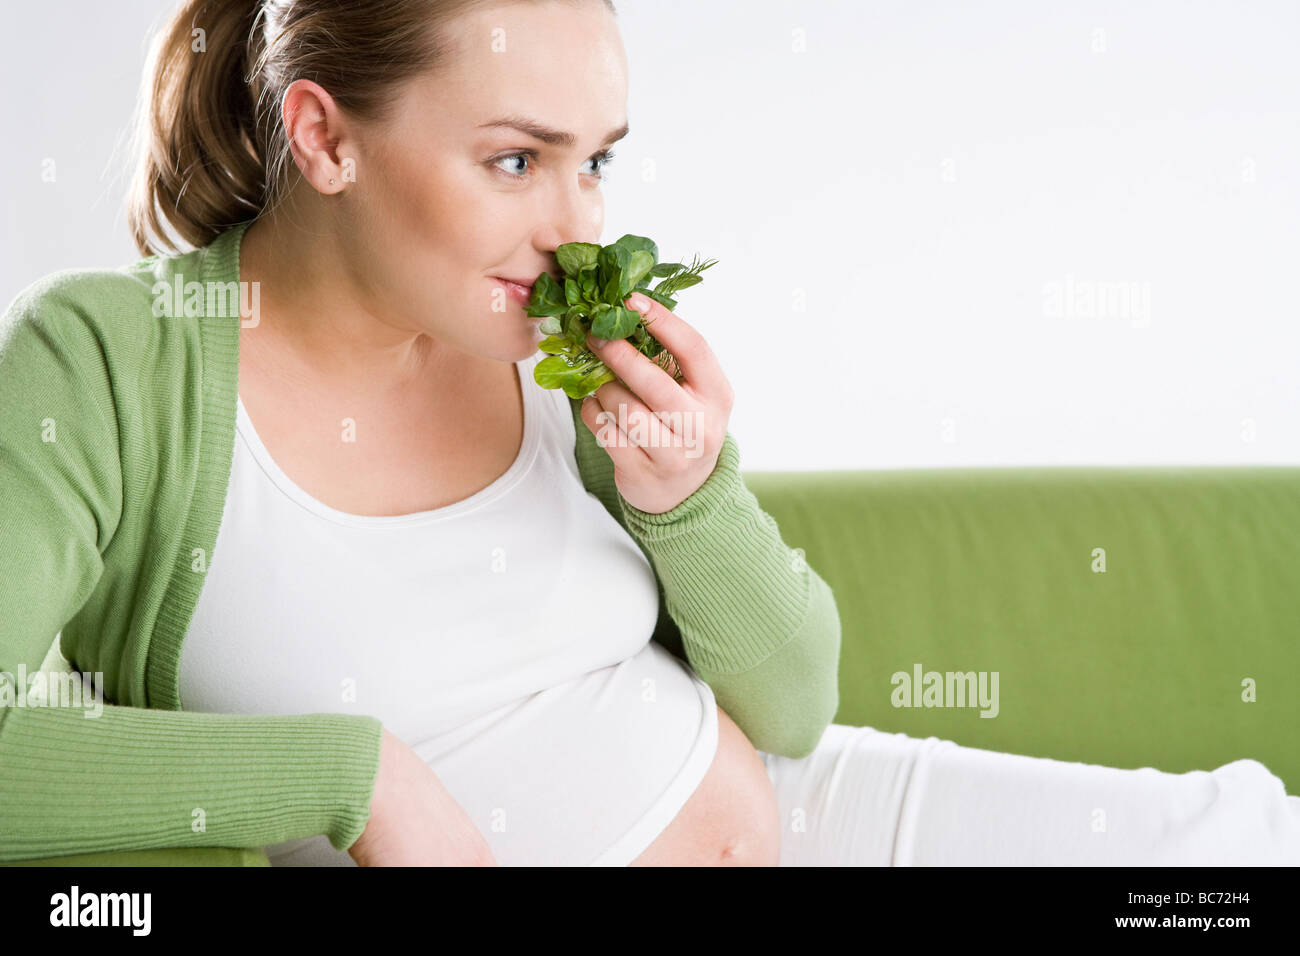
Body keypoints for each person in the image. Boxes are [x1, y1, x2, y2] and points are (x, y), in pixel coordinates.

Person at [3, 0, 1297, 868]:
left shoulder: (556, 341)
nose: (576, 222)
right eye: (517, 161)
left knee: (1232, 852)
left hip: (825, 822)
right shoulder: (114, 364)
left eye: (598, 160)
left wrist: (685, 492)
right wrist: (357, 777)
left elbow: (795, 707)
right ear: (325, 136)